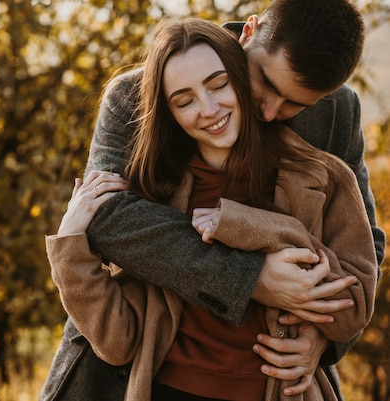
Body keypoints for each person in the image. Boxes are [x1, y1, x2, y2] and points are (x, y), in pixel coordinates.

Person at [39, 1, 386, 400]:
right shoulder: (135, 94)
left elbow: (366, 244)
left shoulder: (338, 111)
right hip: (133, 373)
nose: (271, 112)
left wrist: (321, 341)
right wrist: (251, 277)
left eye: (296, 105)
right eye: (268, 84)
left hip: (278, 381)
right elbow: (110, 218)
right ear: (250, 32)